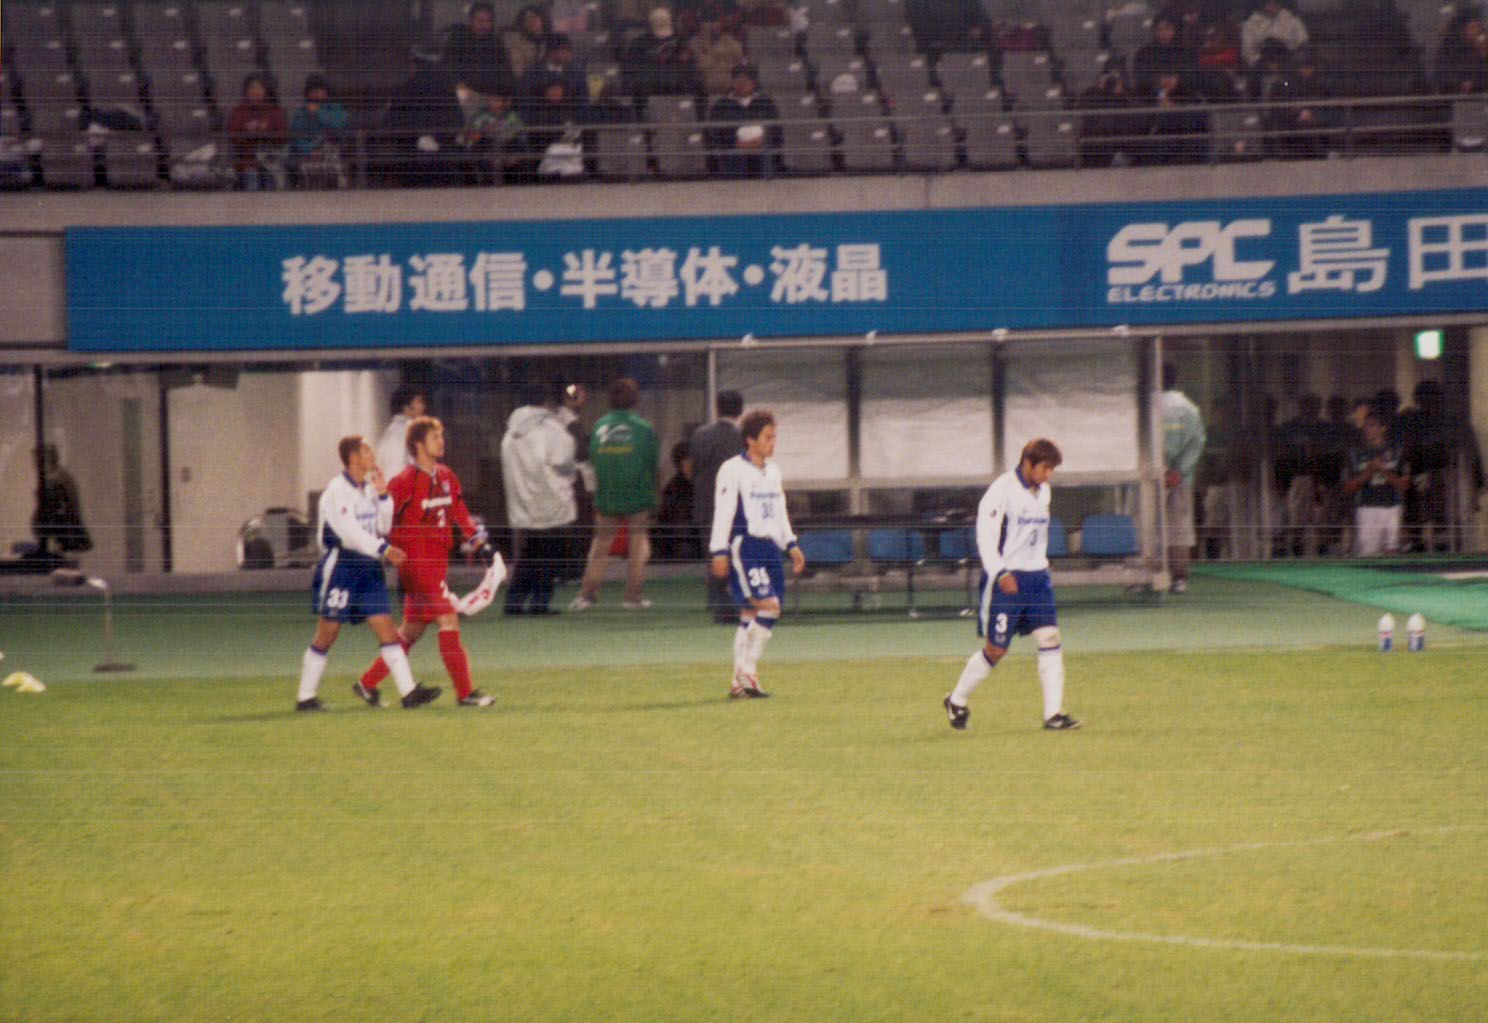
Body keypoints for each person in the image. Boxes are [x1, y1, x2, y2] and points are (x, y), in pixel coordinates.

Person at [354, 417, 497, 708]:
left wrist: (479, 543)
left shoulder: (446, 476)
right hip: (417, 564)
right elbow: (383, 520)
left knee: (412, 630)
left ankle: (366, 683)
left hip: (437, 560)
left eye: (441, 436)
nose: (441, 442)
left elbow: (460, 513)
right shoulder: (403, 482)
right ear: (418, 444)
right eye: (435, 437)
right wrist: (384, 550)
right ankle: (465, 693)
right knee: (448, 619)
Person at [942, 438, 1079, 732]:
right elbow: (986, 537)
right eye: (1045, 468)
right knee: (996, 650)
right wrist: (1001, 572)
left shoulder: (1044, 491)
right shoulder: (1001, 491)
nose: (1048, 475)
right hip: (1007, 579)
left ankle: (1054, 714)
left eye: (1051, 469)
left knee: (1049, 638)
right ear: (1028, 463)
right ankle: (956, 700)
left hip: (1038, 578)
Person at [295, 435, 441, 712]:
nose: (372, 454)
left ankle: (409, 693)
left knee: (387, 630)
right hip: (343, 568)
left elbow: (382, 527)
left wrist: (384, 495)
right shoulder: (337, 491)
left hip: (369, 567)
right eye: (366, 451)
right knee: (328, 633)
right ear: (353, 458)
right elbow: (349, 535)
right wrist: (384, 549)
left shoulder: (369, 488)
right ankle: (305, 697)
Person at [708, 408, 806, 699]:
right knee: (769, 607)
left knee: (750, 613)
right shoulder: (732, 470)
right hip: (746, 546)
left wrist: (791, 544)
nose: (772, 443)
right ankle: (748, 671)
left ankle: (738, 682)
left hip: (770, 548)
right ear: (750, 440)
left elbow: (779, 511)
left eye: (774, 437)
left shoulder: (773, 471)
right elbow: (723, 511)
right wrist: (719, 550)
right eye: (767, 437)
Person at [570, 378, 659, 611]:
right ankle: (633, 597)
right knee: (638, 546)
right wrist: (654, 496)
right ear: (635, 400)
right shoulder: (644, 428)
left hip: (607, 496)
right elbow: (652, 465)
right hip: (638, 496)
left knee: (600, 546)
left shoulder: (600, 427)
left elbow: (592, 460)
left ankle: (587, 596)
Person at [500, 381, 579, 615]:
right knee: (549, 554)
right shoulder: (551, 429)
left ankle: (514, 601)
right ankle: (539, 602)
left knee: (529, 553)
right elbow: (564, 460)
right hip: (550, 500)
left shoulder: (511, 432)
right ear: (546, 402)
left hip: (522, 502)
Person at [689, 389, 744, 622]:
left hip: (706, 502)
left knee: (713, 552)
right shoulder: (744, 437)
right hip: (735, 504)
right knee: (736, 552)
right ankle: (733, 601)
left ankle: (716, 601)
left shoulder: (699, 435)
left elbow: (694, 469)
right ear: (740, 411)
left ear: (717, 409)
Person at [1160, 362, 1206, 592]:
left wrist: (1162, 470)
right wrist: (1178, 471)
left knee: (1144, 524)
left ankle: (1145, 576)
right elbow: (1196, 443)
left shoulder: (1145, 405)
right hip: (1180, 479)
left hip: (1149, 477)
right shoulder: (1189, 409)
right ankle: (1179, 578)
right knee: (1179, 526)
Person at [1345, 410, 1409, 557]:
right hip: (1366, 508)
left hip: (1392, 507)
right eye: (1366, 426)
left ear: (1382, 428)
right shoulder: (1355, 453)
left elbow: (1404, 485)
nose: (1368, 430)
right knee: (1368, 554)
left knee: (1391, 552)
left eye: (1372, 425)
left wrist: (1384, 471)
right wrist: (1368, 472)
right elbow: (1349, 488)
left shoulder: (1397, 451)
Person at [706, 64, 783, 178]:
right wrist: (734, 143)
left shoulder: (765, 102)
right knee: (733, 158)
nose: (741, 84)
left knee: (765, 156)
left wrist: (763, 140)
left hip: (761, 147)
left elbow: (776, 129)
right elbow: (715, 133)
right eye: (738, 80)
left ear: (754, 83)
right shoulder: (721, 105)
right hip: (733, 149)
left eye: (746, 81)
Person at [225, 72, 289, 190]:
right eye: (252, 88)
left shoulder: (275, 111)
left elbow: (282, 137)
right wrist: (249, 131)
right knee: (251, 176)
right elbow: (233, 137)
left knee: (271, 176)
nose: (255, 92)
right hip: (246, 160)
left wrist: (265, 133)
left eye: (259, 88)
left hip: (270, 160)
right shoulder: (238, 111)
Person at [288, 74, 349, 189]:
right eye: (313, 91)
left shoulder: (336, 109)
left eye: (320, 90)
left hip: (332, 153)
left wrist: (318, 112)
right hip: (308, 155)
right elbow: (297, 138)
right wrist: (309, 151)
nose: (317, 93)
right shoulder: (300, 113)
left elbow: (339, 125)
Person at [31, 445, 90, 559]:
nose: (35, 464)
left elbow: (58, 507)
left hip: (63, 528)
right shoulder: (58, 476)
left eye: (38, 460)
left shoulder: (57, 479)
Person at [1241, 0, 1308, 71]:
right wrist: (1263, 64)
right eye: (1268, 3)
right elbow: (1247, 51)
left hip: (1289, 64)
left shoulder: (1293, 21)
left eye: (1275, 3)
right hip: (1261, 66)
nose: (1271, 7)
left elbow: (1303, 43)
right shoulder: (1251, 23)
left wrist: (1292, 62)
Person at [377, 385, 427, 476]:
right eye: (419, 402)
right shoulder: (405, 431)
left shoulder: (392, 430)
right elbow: (395, 468)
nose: (423, 407)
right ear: (406, 407)